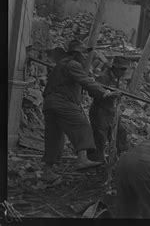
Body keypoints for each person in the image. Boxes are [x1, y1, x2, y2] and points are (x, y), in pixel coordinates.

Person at [41, 39, 120, 181]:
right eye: (83, 53)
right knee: (82, 125)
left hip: (49, 103)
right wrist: (104, 93)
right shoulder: (73, 65)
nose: (85, 56)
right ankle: (82, 159)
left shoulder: (61, 65)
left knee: (55, 137)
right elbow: (86, 81)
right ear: (75, 53)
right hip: (62, 102)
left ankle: (47, 171)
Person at [88, 56, 130, 163]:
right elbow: (92, 92)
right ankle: (97, 161)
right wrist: (108, 95)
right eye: (122, 69)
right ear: (114, 68)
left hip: (111, 110)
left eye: (125, 69)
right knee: (100, 136)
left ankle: (122, 157)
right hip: (100, 110)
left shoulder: (116, 78)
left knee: (121, 132)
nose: (123, 72)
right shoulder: (103, 77)